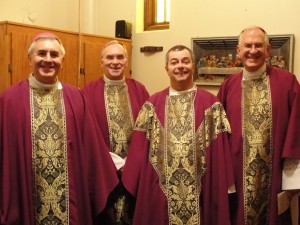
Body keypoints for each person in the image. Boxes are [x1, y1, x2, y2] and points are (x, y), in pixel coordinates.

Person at [0, 32, 119, 225]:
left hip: (72, 206)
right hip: (27, 204)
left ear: (62, 60)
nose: (48, 60)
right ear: (30, 58)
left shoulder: (76, 98)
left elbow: (93, 154)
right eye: (42, 54)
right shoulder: (9, 100)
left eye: (54, 55)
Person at [122, 45, 234, 225]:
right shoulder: (152, 105)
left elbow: (220, 154)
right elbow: (138, 151)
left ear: (193, 66)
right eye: (174, 62)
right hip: (159, 195)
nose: (180, 66)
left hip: (202, 192)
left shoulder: (212, 105)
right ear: (167, 68)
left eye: (185, 61)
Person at [217, 26, 300, 225]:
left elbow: (296, 130)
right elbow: (218, 133)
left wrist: (292, 178)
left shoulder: (287, 82)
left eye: (258, 45)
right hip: (236, 177)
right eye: (247, 46)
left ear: (268, 49)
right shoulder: (228, 86)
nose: (253, 50)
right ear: (238, 51)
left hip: (276, 177)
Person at [82, 40, 149, 225]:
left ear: (126, 61)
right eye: (109, 57)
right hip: (103, 169)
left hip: (135, 169)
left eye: (120, 57)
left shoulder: (139, 89)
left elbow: (149, 130)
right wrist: (113, 162)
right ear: (101, 62)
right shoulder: (88, 92)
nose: (115, 62)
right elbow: (87, 134)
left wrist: (132, 162)